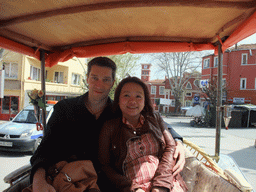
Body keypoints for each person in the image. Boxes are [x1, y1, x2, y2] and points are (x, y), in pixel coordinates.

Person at [27, 57, 184, 192]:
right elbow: (45, 148)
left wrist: (178, 141)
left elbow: (154, 121)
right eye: (94, 78)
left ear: (112, 83)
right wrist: (38, 181)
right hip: (65, 179)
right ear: (87, 78)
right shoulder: (64, 109)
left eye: (106, 79)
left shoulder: (118, 111)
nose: (99, 85)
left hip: (105, 184)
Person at [98, 77, 187, 192]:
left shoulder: (155, 119)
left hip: (166, 183)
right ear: (118, 99)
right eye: (126, 95)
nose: (132, 101)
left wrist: (161, 185)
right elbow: (105, 166)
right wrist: (133, 188)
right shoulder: (109, 127)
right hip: (132, 186)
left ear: (145, 101)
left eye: (138, 96)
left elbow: (170, 148)